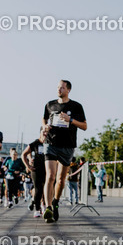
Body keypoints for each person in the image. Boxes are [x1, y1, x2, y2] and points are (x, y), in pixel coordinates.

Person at [41, 80, 87, 223]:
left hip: (67, 145)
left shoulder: (76, 106)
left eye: (62, 87)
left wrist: (70, 119)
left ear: (68, 90)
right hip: (51, 143)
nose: (59, 89)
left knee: (61, 179)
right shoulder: (50, 104)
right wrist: (45, 127)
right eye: (57, 87)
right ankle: (47, 207)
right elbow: (44, 119)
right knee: (50, 176)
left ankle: (55, 201)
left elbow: (85, 126)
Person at [21, 128, 48, 218]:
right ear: (40, 132)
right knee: (38, 189)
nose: (45, 133)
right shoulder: (35, 143)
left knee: (46, 188)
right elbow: (23, 154)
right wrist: (28, 166)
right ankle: (37, 209)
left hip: (48, 169)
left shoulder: (50, 143)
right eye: (43, 131)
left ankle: (45, 207)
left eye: (47, 132)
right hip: (36, 169)